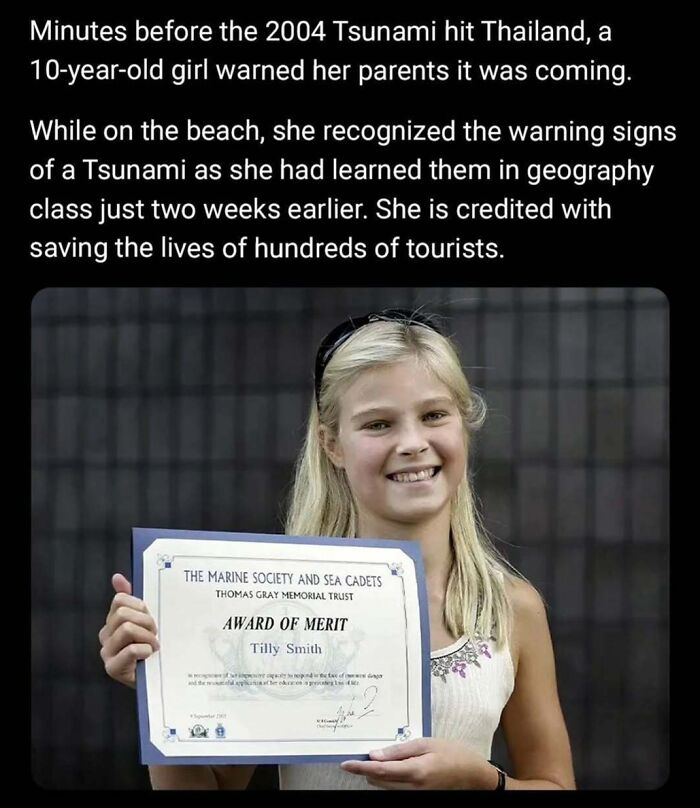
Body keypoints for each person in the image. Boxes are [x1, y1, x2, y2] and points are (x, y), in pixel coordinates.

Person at [98, 308, 576, 790]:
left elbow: (557, 784)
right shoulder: (270, 602)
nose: (412, 443)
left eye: (433, 415)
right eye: (378, 424)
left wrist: (480, 781)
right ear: (333, 445)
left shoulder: (510, 609)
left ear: (462, 424)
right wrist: (161, 697)